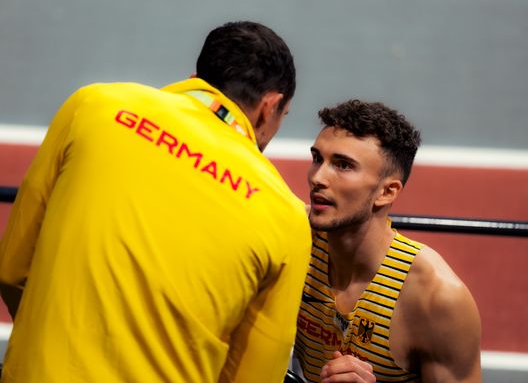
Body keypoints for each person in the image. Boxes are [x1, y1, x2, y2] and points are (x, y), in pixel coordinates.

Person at [0, 21, 312, 382]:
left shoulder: (94, 105)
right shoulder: (286, 214)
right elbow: (253, 376)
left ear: (197, 76)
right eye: (282, 118)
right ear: (269, 106)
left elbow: (11, 269)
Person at [293, 100, 481, 382]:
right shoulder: (290, 238)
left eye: (343, 166)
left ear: (387, 192)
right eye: (318, 159)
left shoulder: (437, 300)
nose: (317, 178)